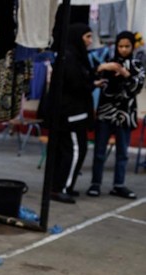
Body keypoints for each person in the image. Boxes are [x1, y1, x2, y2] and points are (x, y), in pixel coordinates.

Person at [51, 24, 116, 204]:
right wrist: (92, 84)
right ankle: (60, 188)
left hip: (75, 112)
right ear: (77, 37)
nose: (89, 41)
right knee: (74, 150)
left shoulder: (76, 56)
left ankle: (64, 186)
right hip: (70, 114)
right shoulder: (70, 58)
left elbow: (81, 78)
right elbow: (74, 83)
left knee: (75, 149)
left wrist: (94, 75)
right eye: (87, 36)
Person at [88, 31, 145, 199]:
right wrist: (102, 68)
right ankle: (95, 183)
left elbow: (137, 88)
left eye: (127, 46)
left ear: (133, 47)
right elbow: (90, 78)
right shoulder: (107, 61)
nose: (124, 49)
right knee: (99, 151)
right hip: (105, 113)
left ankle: (118, 185)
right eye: (121, 46)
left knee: (122, 153)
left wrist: (126, 74)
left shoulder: (136, 65)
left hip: (125, 114)